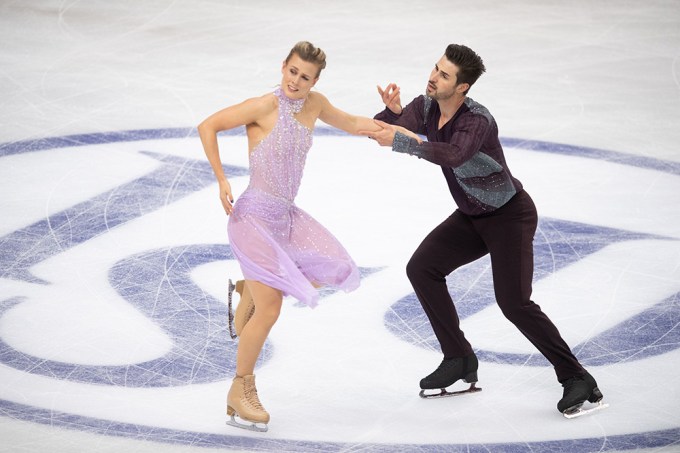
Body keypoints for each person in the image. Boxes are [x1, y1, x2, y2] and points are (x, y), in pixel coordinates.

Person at [363, 44, 606, 418]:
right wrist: (392, 114)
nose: (433, 77)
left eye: (444, 75)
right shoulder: (426, 106)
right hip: (472, 216)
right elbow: (394, 127)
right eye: (435, 68)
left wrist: (400, 140)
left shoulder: (477, 120)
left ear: (462, 87)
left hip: (509, 216)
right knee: (422, 268)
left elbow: (453, 154)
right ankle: (458, 357)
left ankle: (577, 377)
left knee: (514, 303)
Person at [197, 41, 396, 432]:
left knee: (328, 269)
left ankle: (249, 288)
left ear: (315, 80)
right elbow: (208, 125)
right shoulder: (264, 106)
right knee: (271, 310)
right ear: (283, 67)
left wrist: (398, 125)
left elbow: (356, 123)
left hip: (285, 220)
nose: (296, 81)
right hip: (252, 218)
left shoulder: (315, 104)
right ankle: (241, 389)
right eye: (292, 71)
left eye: (305, 77)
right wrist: (221, 178)